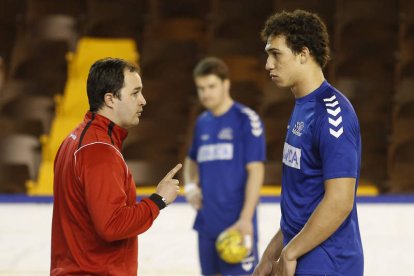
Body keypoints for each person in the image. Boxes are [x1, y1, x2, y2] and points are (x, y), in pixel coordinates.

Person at [253, 10, 364, 276]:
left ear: (303, 54)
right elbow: (302, 202)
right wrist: (271, 254)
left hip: (329, 262)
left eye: (276, 54)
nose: (268, 64)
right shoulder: (303, 107)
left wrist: (290, 252)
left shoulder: (332, 112)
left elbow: (339, 201)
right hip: (303, 256)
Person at [50, 57, 182, 275]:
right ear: (110, 99)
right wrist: (158, 200)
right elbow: (112, 226)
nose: (143, 101)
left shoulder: (73, 140)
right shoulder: (99, 150)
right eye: (135, 93)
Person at [184, 57, 266, 275]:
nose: (205, 93)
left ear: (226, 84)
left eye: (211, 86)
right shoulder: (202, 122)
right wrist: (190, 186)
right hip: (207, 225)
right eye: (201, 88)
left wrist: (246, 219)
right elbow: (191, 159)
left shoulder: (246, 120)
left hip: (237, 226)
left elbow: (256, 172)